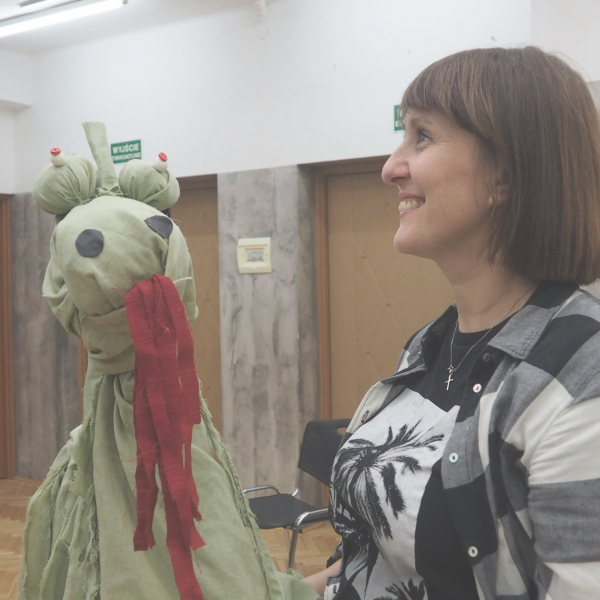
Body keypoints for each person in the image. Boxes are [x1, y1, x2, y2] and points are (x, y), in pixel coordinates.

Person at [304, 46, 600, 600]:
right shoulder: (431, 343)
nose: (390, 168)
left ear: (504, 175)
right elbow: (371, 556)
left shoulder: (582, 374)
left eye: (422, 136)